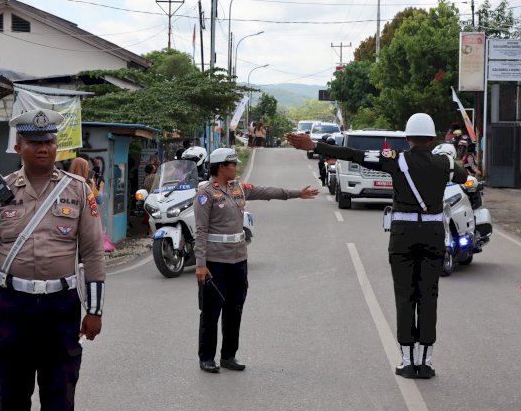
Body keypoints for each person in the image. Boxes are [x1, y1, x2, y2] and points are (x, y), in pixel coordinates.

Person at [287, 113, 467, 379]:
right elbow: (462, 176)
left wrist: (315, 146)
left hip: (403, 236)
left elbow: (354, 154)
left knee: (405, 296)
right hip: (432, 235)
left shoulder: (397, 160)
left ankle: (407, 361)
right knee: (428, 296)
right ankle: (426, 361)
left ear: (407, 138)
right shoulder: (444, 162)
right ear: (432, 138)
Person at [0, 109, 106, 411]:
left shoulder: (79, 190)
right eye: (33, 142)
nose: (43, 147)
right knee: (12, 400)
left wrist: (95, 311)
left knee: (59, 401)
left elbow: (93, 252)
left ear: (57, 146)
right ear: (18, 147)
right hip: (11, 307)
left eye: (48, 141)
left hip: (61, 308)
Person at [195, 147, 319, 373]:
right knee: (212, 311)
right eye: (232, 164)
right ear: (221, 167)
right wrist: (201, 265)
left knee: (235, 309)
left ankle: (229, 356)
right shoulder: (205, 194)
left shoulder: (238, 189)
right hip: (215, 262)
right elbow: (201, 232)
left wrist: (296, 193)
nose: (235, 167)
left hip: (238, 260)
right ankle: (206, 357)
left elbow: (267, 191)